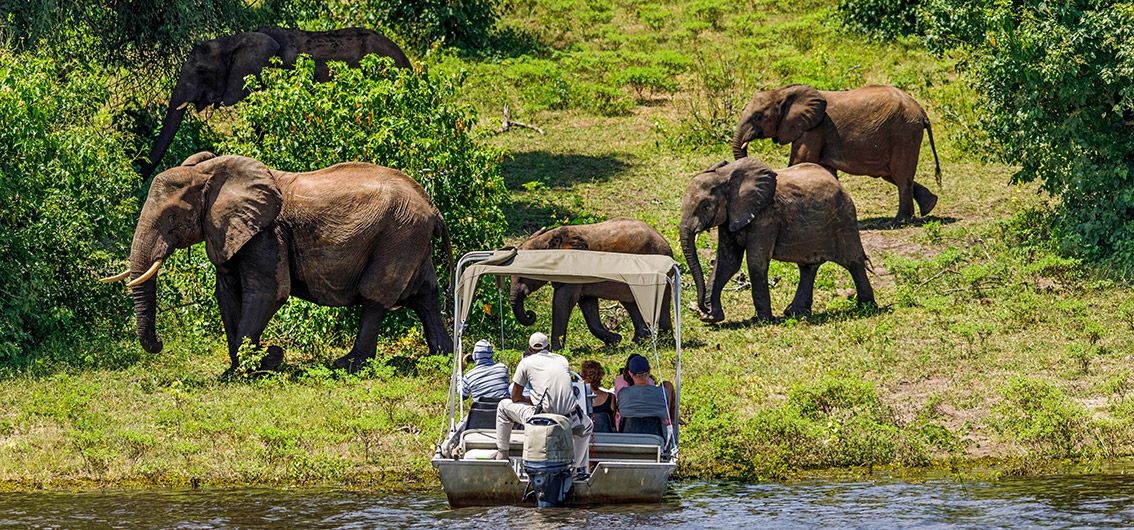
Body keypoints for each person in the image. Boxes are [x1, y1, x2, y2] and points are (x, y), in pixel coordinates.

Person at [495, 332, 594, 475]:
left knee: (503, 406)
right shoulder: (562, 360)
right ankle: (574, 468)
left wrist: (532, 399)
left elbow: (515, 397)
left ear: (530, 349)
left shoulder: (526, 362)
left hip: (541, 418)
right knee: (587, 426)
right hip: (570, 418)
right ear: (549, 347)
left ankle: (502, 455)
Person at [613, 353, 677, 429]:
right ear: (649, 371)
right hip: (656, 435)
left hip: (628, 434)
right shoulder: (663, 392)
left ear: (630, 373)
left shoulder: (623, 393)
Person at [581, 360, 615, 433]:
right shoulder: (610, 397)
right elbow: (613, 422)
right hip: (606, 437)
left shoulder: (577, 399)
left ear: (583, 376)